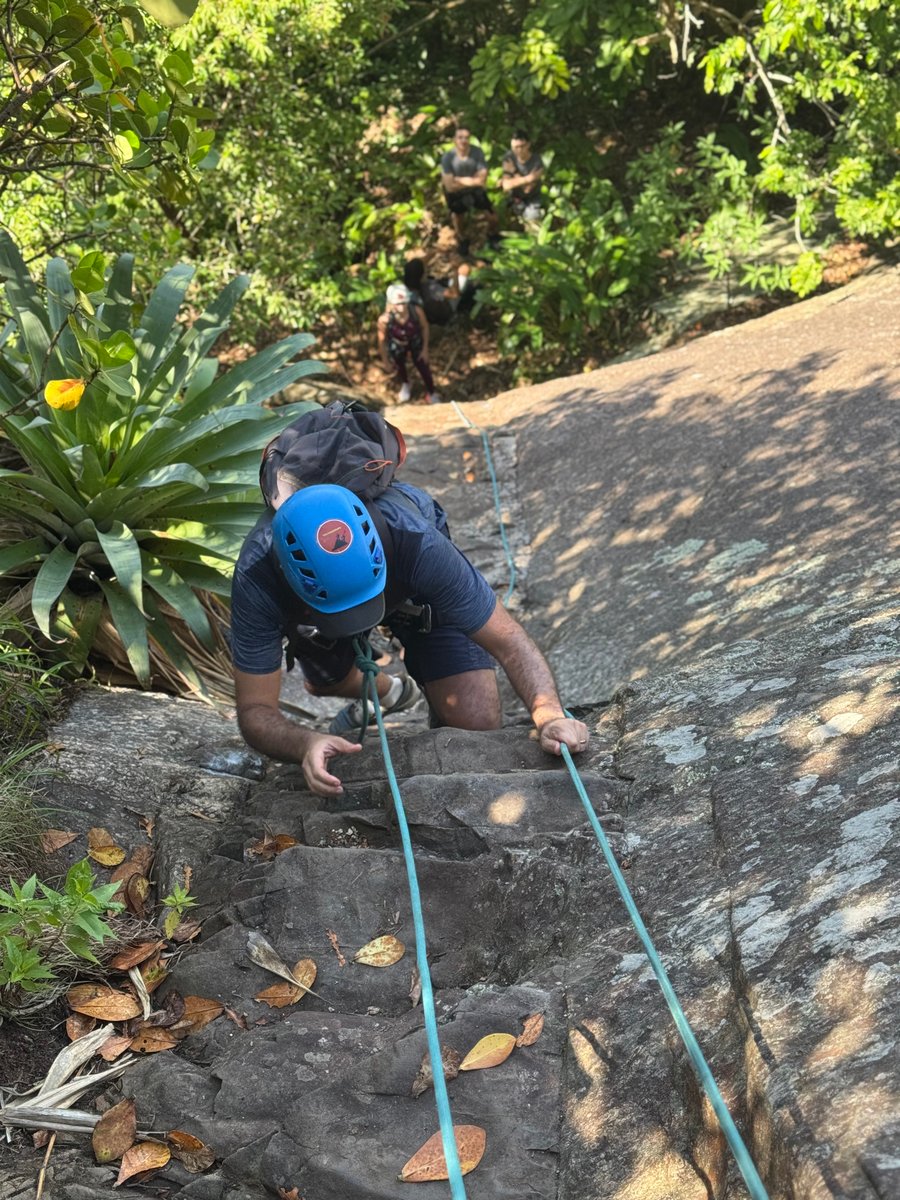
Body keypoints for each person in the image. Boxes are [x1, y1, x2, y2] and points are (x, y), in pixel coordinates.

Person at [231, 475, 590, 798]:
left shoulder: (417, 542)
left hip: (411, 588)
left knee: (476, 723)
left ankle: (418, 674)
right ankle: (393, 692)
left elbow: (509, 641)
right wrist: (304, 743)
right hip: (315, 603)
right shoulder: (257, 579)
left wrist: (550, 716)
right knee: (327, 683)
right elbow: (255, 710)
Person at [440, 126, 500, 256]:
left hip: (475, 190)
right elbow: (449, 186)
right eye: (460, 137)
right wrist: (472, 180)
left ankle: (492, 236)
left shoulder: (477, 152)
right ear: (455, 140)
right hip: (456, 193)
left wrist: (459, 180)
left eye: (466, 137)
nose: (463, 141)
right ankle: (462, 239)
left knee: (492, 216)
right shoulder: (448, 157)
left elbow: (482, 179)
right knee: (458, 216)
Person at [376, 283, 441, 404]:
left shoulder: (415, 311)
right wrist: (385, 360)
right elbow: (381, 341)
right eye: (398, 304)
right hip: (398, 344)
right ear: (391, 304)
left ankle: (431, 392)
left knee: (423, 366)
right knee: (399, 364)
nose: (401, 307)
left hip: (415, 341)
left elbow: (424, 327)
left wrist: (425, 348)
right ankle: (406, 383)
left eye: (404, 303)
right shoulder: (385, 320)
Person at [402, 257, 475, 326]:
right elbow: (454, 294)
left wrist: (435, 252)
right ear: (422, 276)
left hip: (432, 312)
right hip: (448, 307)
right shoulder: (431, 290)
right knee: (465, 269)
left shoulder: (409, 286)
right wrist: (455, 270)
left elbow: (420, 264)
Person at [501, 130, 545, 223]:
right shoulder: (509, 157)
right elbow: (506, 185)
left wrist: (515, 179)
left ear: (528, 145)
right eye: (515, 147)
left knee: (532, 218)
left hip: (532, 198)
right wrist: (528, 178)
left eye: (522, 146)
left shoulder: (536, 160)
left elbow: (527, 189)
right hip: (514, 198)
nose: (519, 150)